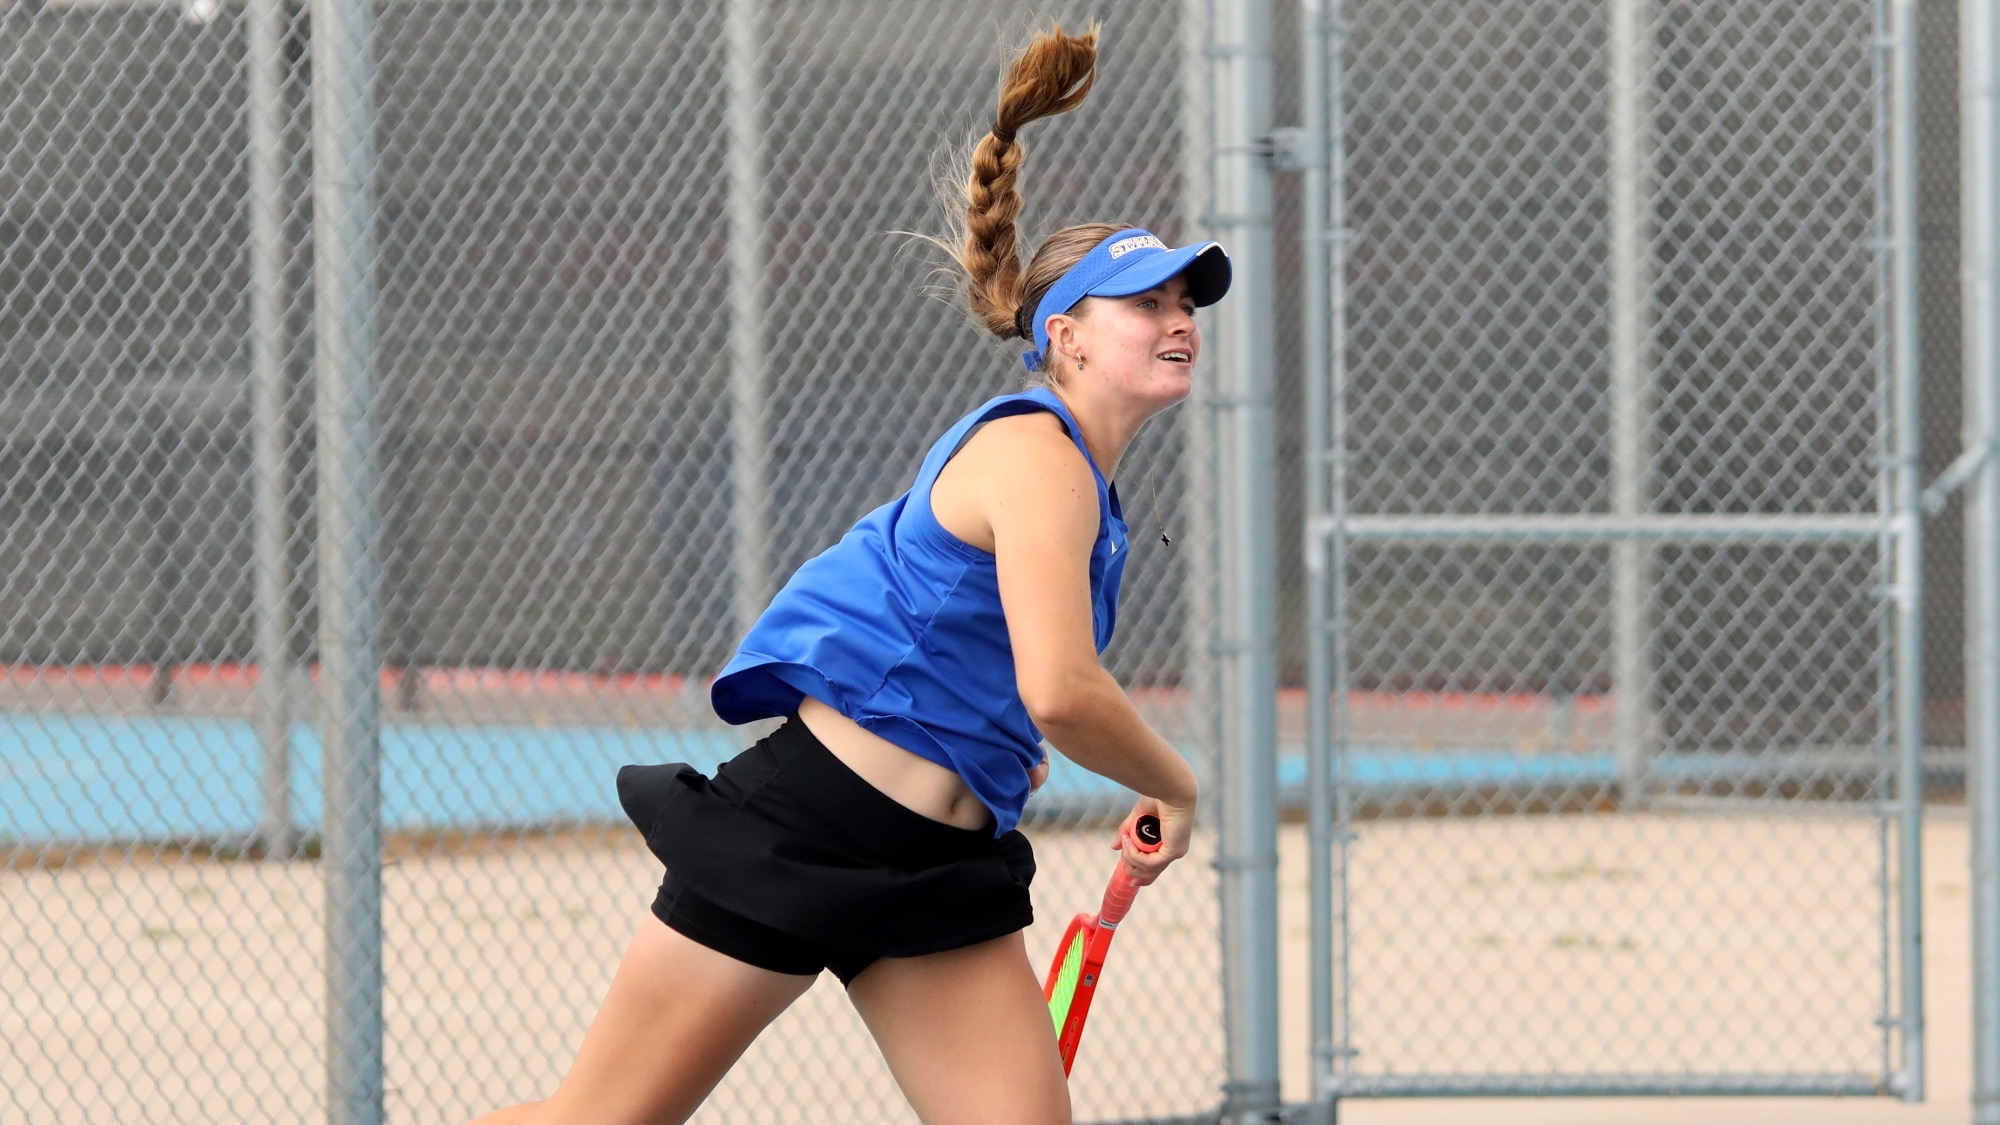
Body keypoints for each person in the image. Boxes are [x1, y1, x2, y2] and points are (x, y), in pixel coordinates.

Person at [471, 22, 1229, 1125]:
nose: (1177, 322)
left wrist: (988, 754)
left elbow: (990, 673)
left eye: (1184, 304)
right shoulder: (1035, 454)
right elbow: (1061, 690)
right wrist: (1174, 782)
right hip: (810, 826)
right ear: (1063, 334)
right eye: (1148, 304)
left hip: (933, 867)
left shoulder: (1083, 487)